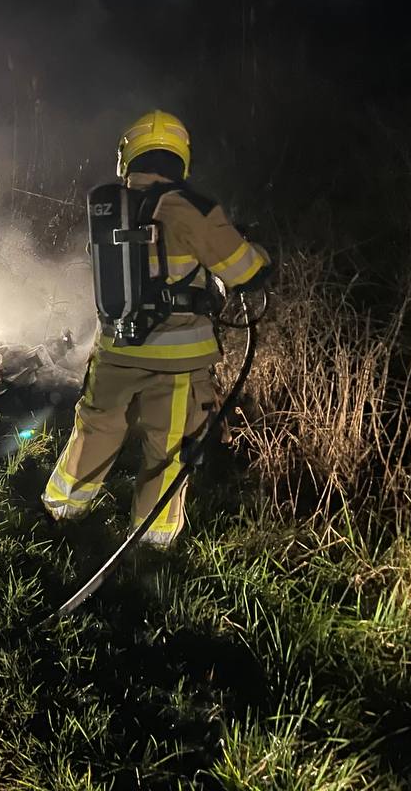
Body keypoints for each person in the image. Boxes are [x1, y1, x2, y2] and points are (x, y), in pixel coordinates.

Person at [42, 110, 271, 545]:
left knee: (96, 427)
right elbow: (246, 270)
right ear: (180, 156)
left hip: (114, 347)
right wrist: (251, 247)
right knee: (166, 448)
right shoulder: (191, 208)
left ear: (128, 157)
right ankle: (152, 542)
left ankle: (62, 508)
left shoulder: (109, 204)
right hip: (177, 360)